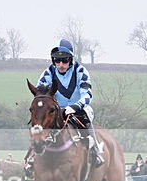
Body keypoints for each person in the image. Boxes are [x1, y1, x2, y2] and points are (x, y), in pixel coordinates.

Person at [37, 39, 104, 167]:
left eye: (65, 60)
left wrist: (75, 106)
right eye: (57, 61)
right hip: (57, 110)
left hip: (79, 109)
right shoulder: (48, 73)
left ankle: (95, 151)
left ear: (71, 59)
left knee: (85, 118)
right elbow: (40, 93)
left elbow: (87, 94)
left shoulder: (80, 71)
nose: (61, 64)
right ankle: (33, 155)